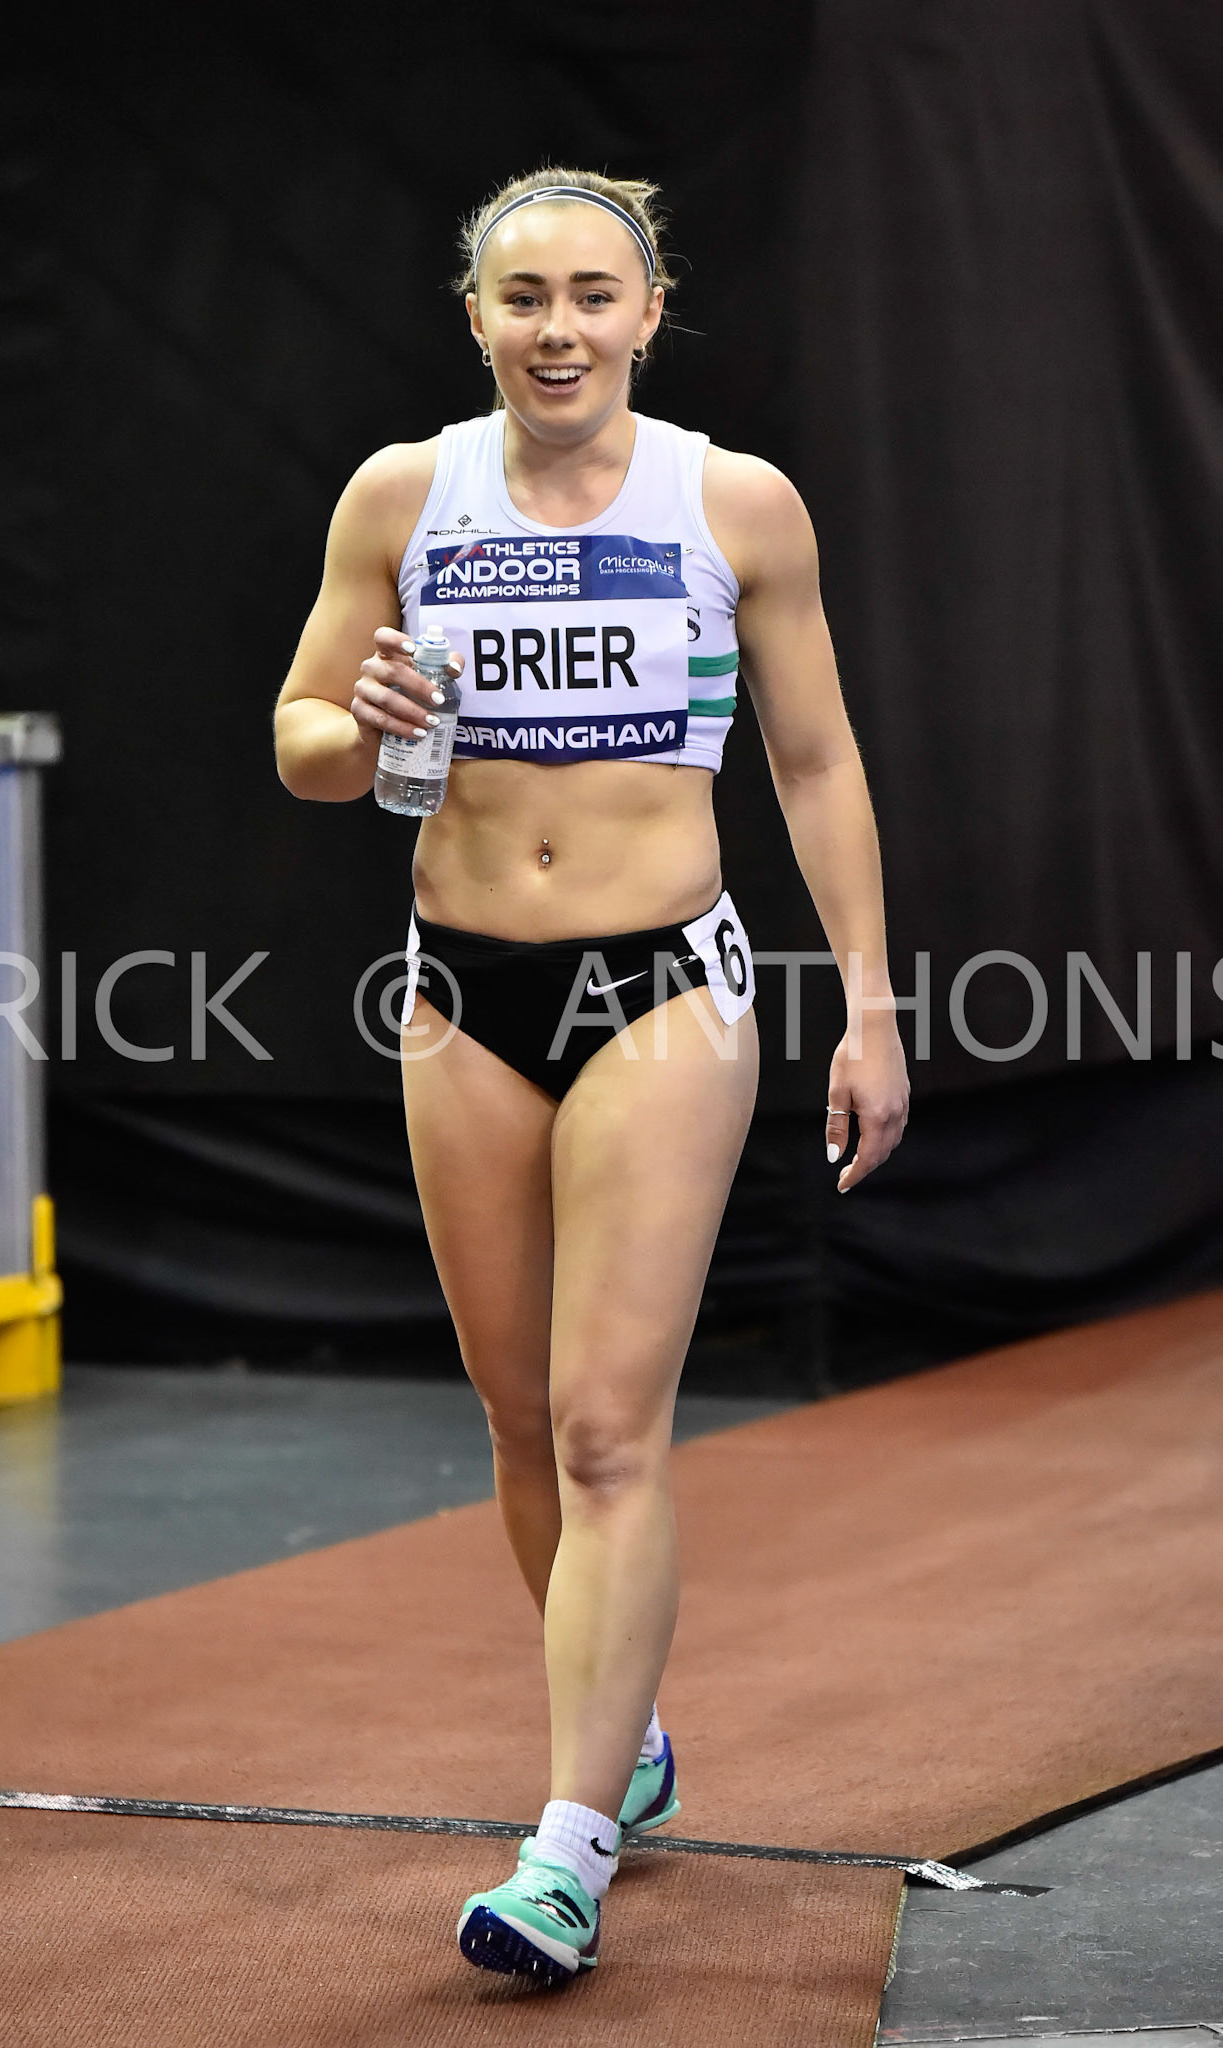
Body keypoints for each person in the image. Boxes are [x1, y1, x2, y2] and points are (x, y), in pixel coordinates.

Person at [272, 167, 909, 1988]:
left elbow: (815, 761)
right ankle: (624, 1741)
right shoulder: (406, 496)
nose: (560, 328)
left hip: (664, 997)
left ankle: (563, 1848)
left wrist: (867, 1008)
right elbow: (303, 741)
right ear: (474, 318)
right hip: (459, 999)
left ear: (649, 311)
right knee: (518, 1421)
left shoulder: (735, 501)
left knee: (612, 1422)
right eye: (524, 297)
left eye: (593, 296)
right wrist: (362, 727)